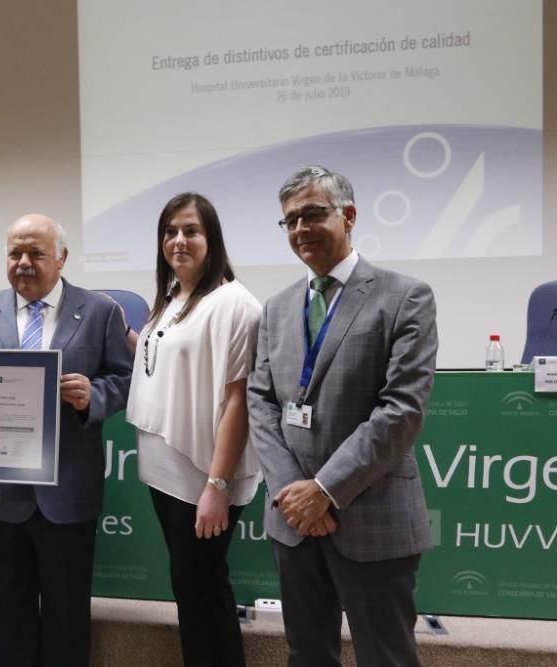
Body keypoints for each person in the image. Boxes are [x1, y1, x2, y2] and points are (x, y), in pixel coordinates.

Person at [247, 165, 438, 666]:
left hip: (372, 516)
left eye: (313, 214)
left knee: (386, 657)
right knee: (307, 654)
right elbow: (260, 401)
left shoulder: (405, 297)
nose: (300, 230)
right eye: (289, 221)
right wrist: (293, 491)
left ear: (348, 216)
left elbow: (401, 410)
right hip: (293, 519)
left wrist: (324, 490)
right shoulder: (277, 308)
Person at [0, 213, 132, 667]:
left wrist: (93, 396)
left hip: (66, 494)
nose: (23, 262)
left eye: (36, 253)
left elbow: (124, 379)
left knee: (67, 616)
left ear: (61, 258)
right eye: (15, 253)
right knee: (8, 615)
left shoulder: (101, 310)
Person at [126, 193, 261, 666]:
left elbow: (237, 401)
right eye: (170, 232)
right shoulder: (172, 297)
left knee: (203, 592)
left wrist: (217, 486)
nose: (178, 241)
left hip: (204, 478)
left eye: (191, 231)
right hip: (167, 473)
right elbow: (166, 363)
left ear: (212, 239)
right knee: (190, 588)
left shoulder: (236, 304)